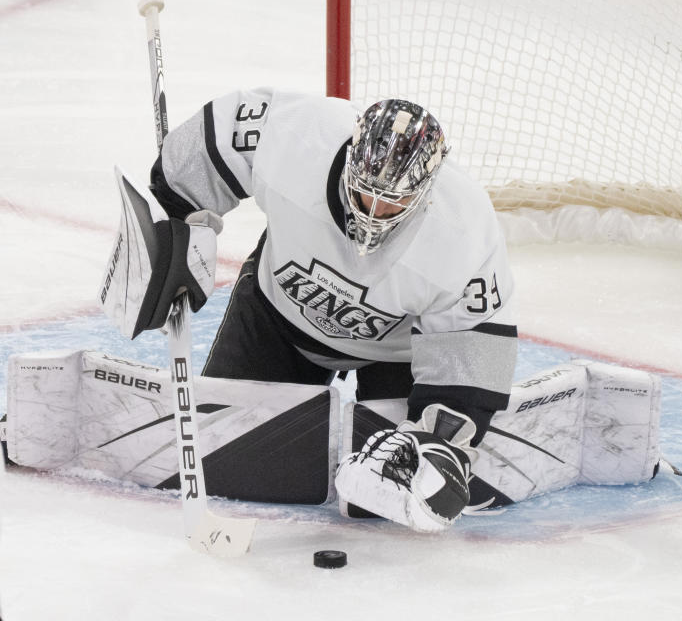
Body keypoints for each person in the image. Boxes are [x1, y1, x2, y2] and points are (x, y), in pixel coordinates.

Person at [146, 90, 518, 531]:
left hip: (399, 357)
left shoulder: (465, 231)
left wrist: (444, 443)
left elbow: (471, 360)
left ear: (425, 191)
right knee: (227, 461)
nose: (374, 214)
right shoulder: (294, 133)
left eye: (392, 203)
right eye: (365, 195)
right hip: (276, 320)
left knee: (379, 510)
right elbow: (208, 146)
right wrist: (177, 220)